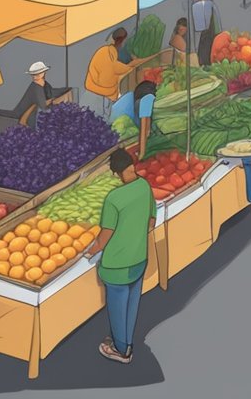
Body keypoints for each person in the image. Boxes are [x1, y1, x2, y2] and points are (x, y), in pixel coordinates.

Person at [85, 149, 157, 364]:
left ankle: (120, 349)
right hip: (139, 258)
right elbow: (151, 221)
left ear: (116, 173)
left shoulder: (114, 198)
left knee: (117, 306)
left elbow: (104, 236)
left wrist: (90, 251)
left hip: (116, 263)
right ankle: (126, 342)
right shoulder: (144, 186)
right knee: (131, 303)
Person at [85, 28, 134, 117]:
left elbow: (115, 67)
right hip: (97, 96)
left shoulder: (107, 52)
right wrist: (129, 68)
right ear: (121, 41)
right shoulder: (107, 54)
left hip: (96, 94)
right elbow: (108, 74)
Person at [109, 80, 157, 159]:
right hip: (119, 130)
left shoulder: (135, 97)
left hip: (118, 128)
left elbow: (146, 129)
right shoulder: (147, 99)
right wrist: (141, 154)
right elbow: (144, 128)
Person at [2, 62, 56, 128]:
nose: (34, 76)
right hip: (26, 116)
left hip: (32, 114)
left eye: (37, 74)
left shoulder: (46, 85)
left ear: (43, 73)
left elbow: (50, 95)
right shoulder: (36, 88)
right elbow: (43, 107)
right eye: (33, 74)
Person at [192, 0, 219, 67]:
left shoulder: (204, 3)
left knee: (206, 41)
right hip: (207, 34)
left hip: (207, 34)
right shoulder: (207, 3)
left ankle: (205, 64)